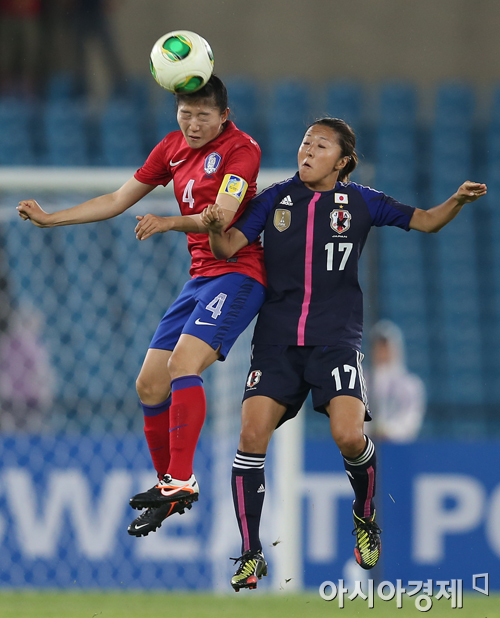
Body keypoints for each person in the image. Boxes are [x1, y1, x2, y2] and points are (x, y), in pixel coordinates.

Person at [201, 117, 487, 590]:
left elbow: (426, 221)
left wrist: (455, 200)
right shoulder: (273, 197)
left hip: (335, 341)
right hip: (276, 341)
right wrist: (214, 228)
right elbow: (229, 245)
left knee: (349, 436)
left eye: (320, 145)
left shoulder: (362, 201)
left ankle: (364, 513)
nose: (307, 151)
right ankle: (251, 551)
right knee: (250, 436)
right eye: (305, 142)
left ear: (344, 161)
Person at [17, 75, 266, 537]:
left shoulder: (241, 150)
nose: (192, 125)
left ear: (224, 116)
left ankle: (183, 479)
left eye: (203, 116)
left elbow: (225, 217)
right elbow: (116, 199)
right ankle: (169, 484)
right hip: (199, 281)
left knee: (182, 363)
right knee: (149, 384)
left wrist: (168, 221)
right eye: (185, 114)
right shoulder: (170, 147)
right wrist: (53, 219)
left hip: (238, 275)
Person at [368, 320, 426, 442]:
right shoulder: (361, 380)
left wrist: (389, 431)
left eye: (385, 347)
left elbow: (412, 418)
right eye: (378, 347)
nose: (382, 352)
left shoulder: (411, 384)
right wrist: (368, 430)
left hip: (398, 448)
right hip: (366, 445)